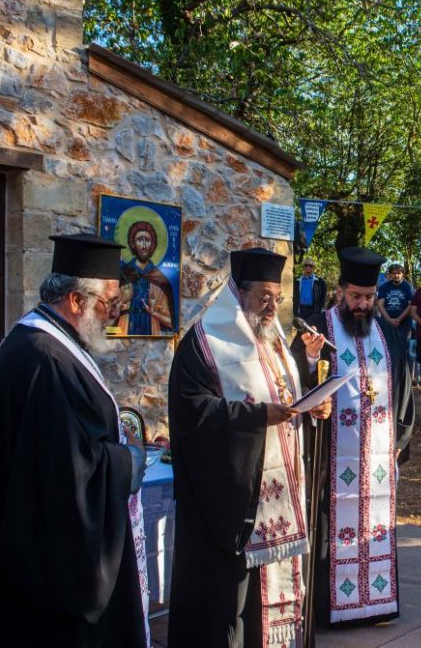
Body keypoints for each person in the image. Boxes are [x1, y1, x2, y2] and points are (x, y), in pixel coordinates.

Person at [0, 234, 150, 647]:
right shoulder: (45, 357)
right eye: (108, 303)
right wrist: (127, 460)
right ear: (76, 300)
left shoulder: (46, 343)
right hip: (47, 583)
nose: (114, 315)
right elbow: (67, 472)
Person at [167, 248, 332, 647]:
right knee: (231, 608)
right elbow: (192, 410)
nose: (272, 306)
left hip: (278, 500)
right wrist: (257, 417)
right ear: (238, 293)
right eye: (264, 297)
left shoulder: (273, 338)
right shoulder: (205, 343)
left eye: (278, 297)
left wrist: (312, 394)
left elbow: (282, 391)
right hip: (232, 506)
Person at [291, 246, 415, 627]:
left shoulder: (387, 334)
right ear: (341, 291)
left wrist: (398, 445)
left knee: (375, 523)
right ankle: (331, 611)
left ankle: (374, 605)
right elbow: (295, 381)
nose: (362, 304)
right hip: (332, 455)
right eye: (356, 296)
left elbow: (405, 390)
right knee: (330, 525)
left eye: (369, 297)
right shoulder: (318, 328)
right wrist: (310, 360)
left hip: (378, 456)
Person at [117, 221, 174, 335]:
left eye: (147, 240)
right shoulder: (123, 275)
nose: (144, 245)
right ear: (133, 243)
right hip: (123, 334)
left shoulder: (160, 281)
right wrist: (122, 301)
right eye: (139, 240)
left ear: (152, 244)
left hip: (152, 334)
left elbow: (171, 323)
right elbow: (104, 315)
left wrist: (153, 312)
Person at [377, 262, 414, 347]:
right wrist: (389, 320)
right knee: (389, 347)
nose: (396, 275)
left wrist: (399, 319)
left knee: (403, 348)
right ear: (390, 274)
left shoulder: (408, 287)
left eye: (398, 273)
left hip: (404, 324)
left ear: (403, 274)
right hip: (387, 323)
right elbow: (380, 305)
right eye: (393, 273)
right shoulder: (384, 287)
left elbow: (411, 305)